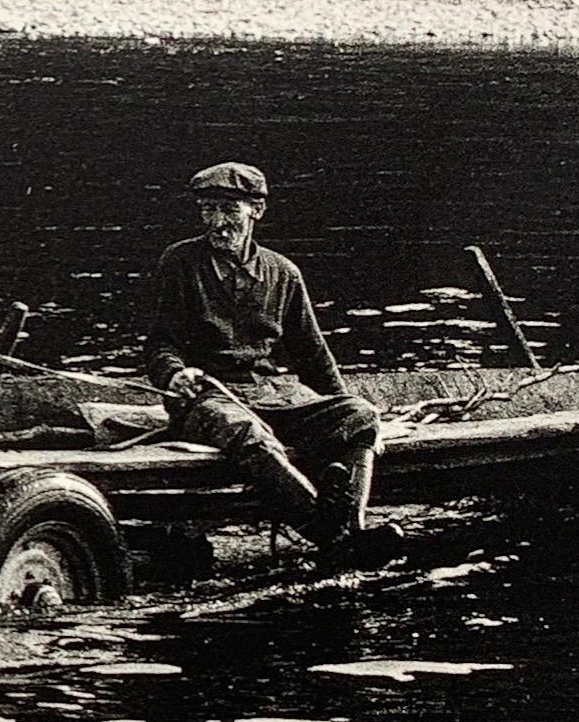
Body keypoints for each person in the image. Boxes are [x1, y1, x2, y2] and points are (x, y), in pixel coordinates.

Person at [138, 161, 390, 557]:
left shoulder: (283, 273)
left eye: (228, 210)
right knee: (248, 433)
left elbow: (312, 354)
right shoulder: (180, 263)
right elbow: (159, 344)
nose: (216, 222)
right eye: (207, 209)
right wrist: (174, 374)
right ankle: (332, 536)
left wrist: (339, 414)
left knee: (361, 416)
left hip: (275, 396)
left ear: (257, 210)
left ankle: (353, 525)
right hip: (209, 399)